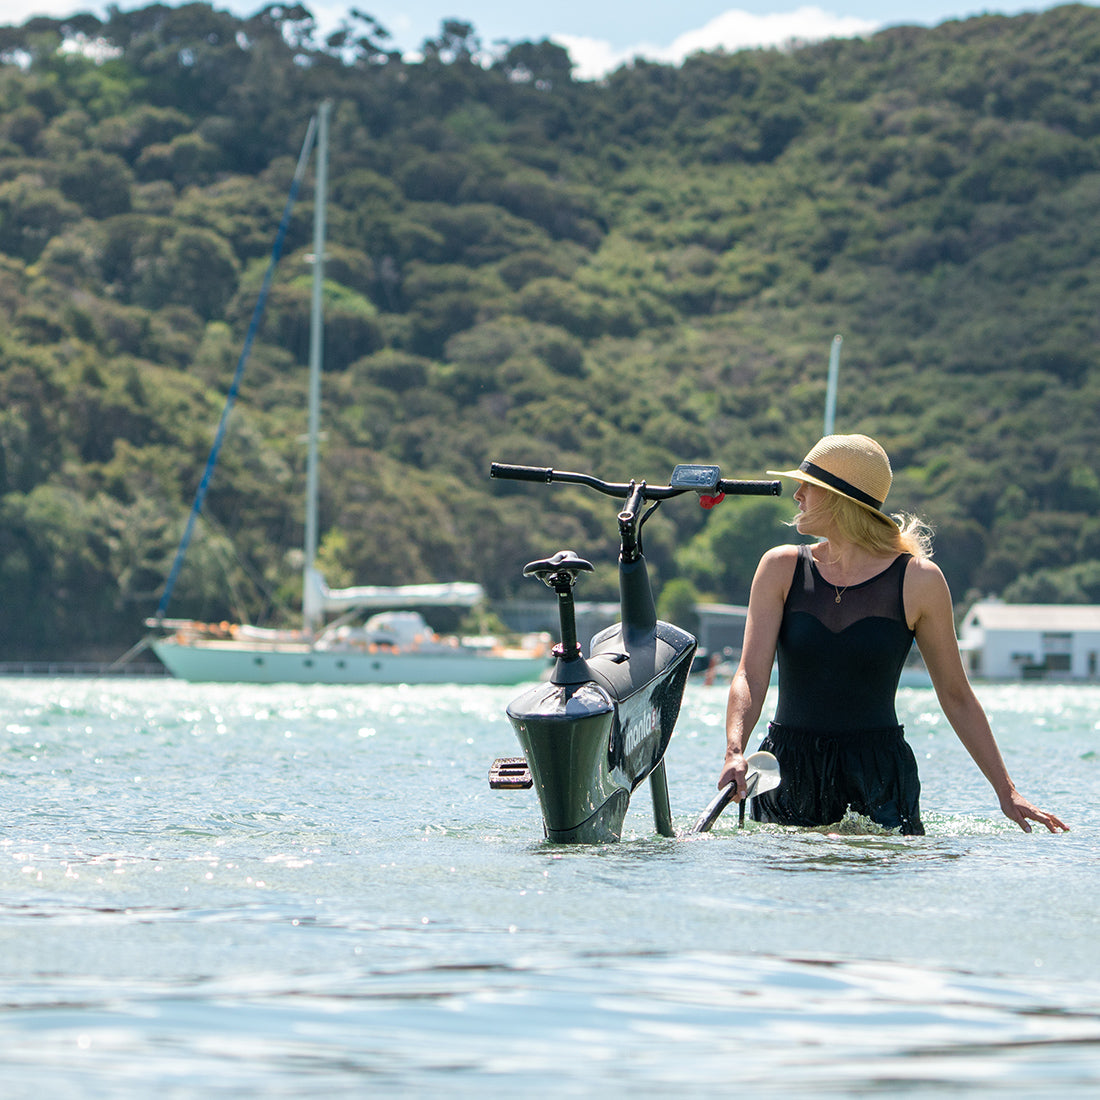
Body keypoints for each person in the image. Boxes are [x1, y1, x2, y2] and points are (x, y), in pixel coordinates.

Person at [719, 433, 1068, 835]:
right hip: (787, 770)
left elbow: (956, 695)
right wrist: (735, 751)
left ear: (838, 498)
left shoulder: (919, 581)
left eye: (808, 486)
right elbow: (750, 676)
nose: (797, 495)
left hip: (879, 776)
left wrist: (1007, 792)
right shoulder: (779, 568)